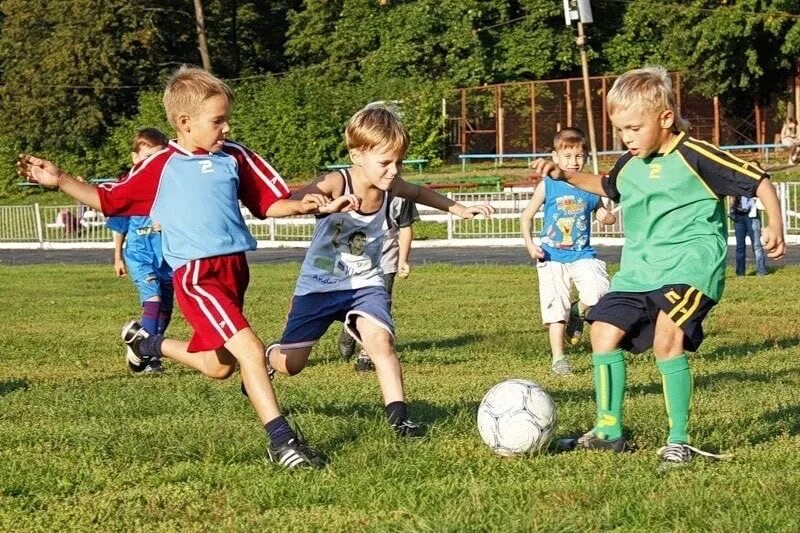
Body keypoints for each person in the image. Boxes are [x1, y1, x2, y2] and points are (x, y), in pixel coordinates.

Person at [18, 65, 359, 470]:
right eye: (217, 121)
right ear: (184, 122)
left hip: (234, 270)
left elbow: (268, 203)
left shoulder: (236, 156)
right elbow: (109, 200)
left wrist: (304, 205)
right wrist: (60, 181)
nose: (226, 128)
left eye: (227, 119)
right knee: (251, 350)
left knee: (219, 366)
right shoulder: (161, 165)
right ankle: (282, 442)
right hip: (196, 277)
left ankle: (147, 344)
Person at [532, 66, 785, 468]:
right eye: (620, 130)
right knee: (601, 332)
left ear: (665, 119)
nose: (626, 138)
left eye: (634, 128)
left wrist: (774, 223)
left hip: (691, 267)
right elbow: (606, 185)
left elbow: (758, 180)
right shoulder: (629, 164)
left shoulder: (694, 155)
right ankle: (608, 430)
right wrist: (565, 175)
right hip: (639, 271)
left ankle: (679, 440)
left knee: (668, 339)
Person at [266, 104, 493, 438]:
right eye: (385, 162)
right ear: (358, 154)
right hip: (318, 285)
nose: (393, 171)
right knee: (291, 365)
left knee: (381, 342)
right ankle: (265, 357)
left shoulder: (392, 186)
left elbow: (418, 191)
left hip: (365, 284)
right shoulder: (336, 181)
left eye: (398, 162)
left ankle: (400, 419)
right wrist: (313, 204)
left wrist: (458, 208)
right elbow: (289, 202)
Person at [521, 128, 616, 376]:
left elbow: (602, 214)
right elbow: (527, 215)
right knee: (555, 309)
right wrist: (530, 244)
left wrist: (607, 217)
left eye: (579, 156)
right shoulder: (548, 185)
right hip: (551, 256)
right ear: (555, 157)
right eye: (567, 156)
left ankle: (579, 310)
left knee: (599, 293)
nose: (574, 162)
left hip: (582, 254)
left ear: (585, 157)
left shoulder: (591, 186)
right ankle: (559, 359)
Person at [106, 128, 174, 374]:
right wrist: (117, 257)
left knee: (166, 306)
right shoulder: (128, 191)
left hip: (167, 257)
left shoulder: (170, 190)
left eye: (158, 158)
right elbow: (119, 228)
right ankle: (147, 353)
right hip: (139, 255)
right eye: (147, 158)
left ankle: (147, 348)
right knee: (153, 298)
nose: (152, 164)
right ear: (135, 158)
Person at [337, 195, 420, 373]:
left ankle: (365, 356)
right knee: (351, 302)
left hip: (385, 261)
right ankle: (348, 328)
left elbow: (405, 228)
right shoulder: (354, 190)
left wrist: (403, 260)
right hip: (355, 260)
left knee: (377, 309)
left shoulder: (402, 195)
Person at [730, 195, 767, 277]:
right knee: (740, 246)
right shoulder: (736, 186)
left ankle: (761, 271)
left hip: (752, 216)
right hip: (739, 217)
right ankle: (740, 273)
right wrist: (732, 210)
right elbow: (733, 198)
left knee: (756, 245)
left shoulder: (752, 185)